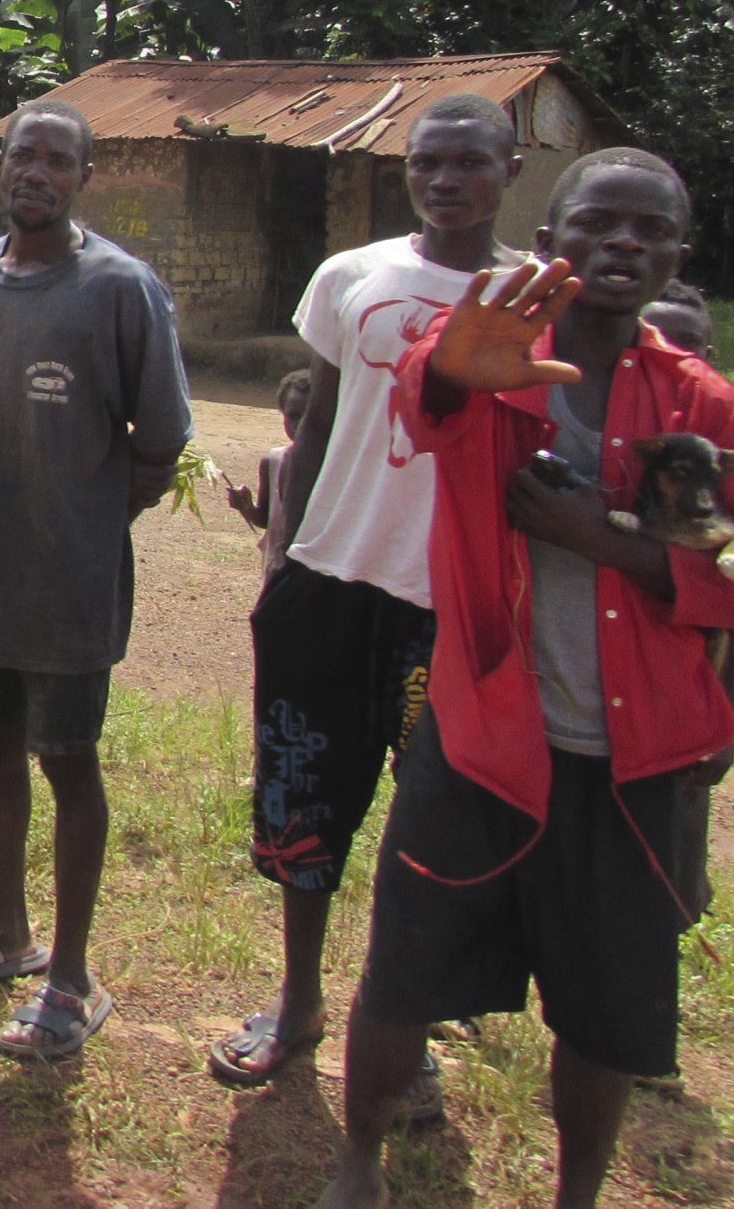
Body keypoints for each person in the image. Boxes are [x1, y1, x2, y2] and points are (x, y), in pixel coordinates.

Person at [310, 150, 734, 1209]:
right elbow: (423, 406)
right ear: (551, 243)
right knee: (404, 960)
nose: (623, 244)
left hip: (629, 762)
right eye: (599, 224)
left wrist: (610, 539)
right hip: (484, 733)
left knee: (606, 1003)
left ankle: (576, 1191)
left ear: (677, 253)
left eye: (650, 230)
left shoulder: (694, 404)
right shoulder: (493, 360)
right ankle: (359, 1164)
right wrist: (447, 366)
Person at [212, 94, 532, 1090]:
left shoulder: (533, 295)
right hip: (331, 582)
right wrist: (280, 562)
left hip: (452, 607)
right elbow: (317, 430)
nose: (443, 179)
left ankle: (408, 1028)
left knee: (430, 819)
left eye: (467, 162)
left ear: (508, 172)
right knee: (305, 802)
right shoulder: (350, 278)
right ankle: (301, 997)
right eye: (425, 162)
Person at [0, 97, 190, 1063]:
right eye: (21, 154)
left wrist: (87, 522)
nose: (34, 172)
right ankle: (5, 935)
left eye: (56, 160)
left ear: (82, 179)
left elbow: (161, 444)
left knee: (68, 764)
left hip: (68, 585)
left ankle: (71, 977)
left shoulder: (120, 288)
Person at [631, 279, 734, 925]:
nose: (674, 359)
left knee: (672, 881)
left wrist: (725, 720)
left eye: (691, 347)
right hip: (605, 700)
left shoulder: (718, 468)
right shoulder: (614, 444)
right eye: (657, 341)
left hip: (684, 708)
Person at [227, 368, 312, 581]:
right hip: (278, 568)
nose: (300, 424)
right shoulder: (273, 462)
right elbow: (266, 519)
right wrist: (246, 507)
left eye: (309, 416)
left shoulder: (334, 467)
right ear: (282, 416)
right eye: (293, 416)